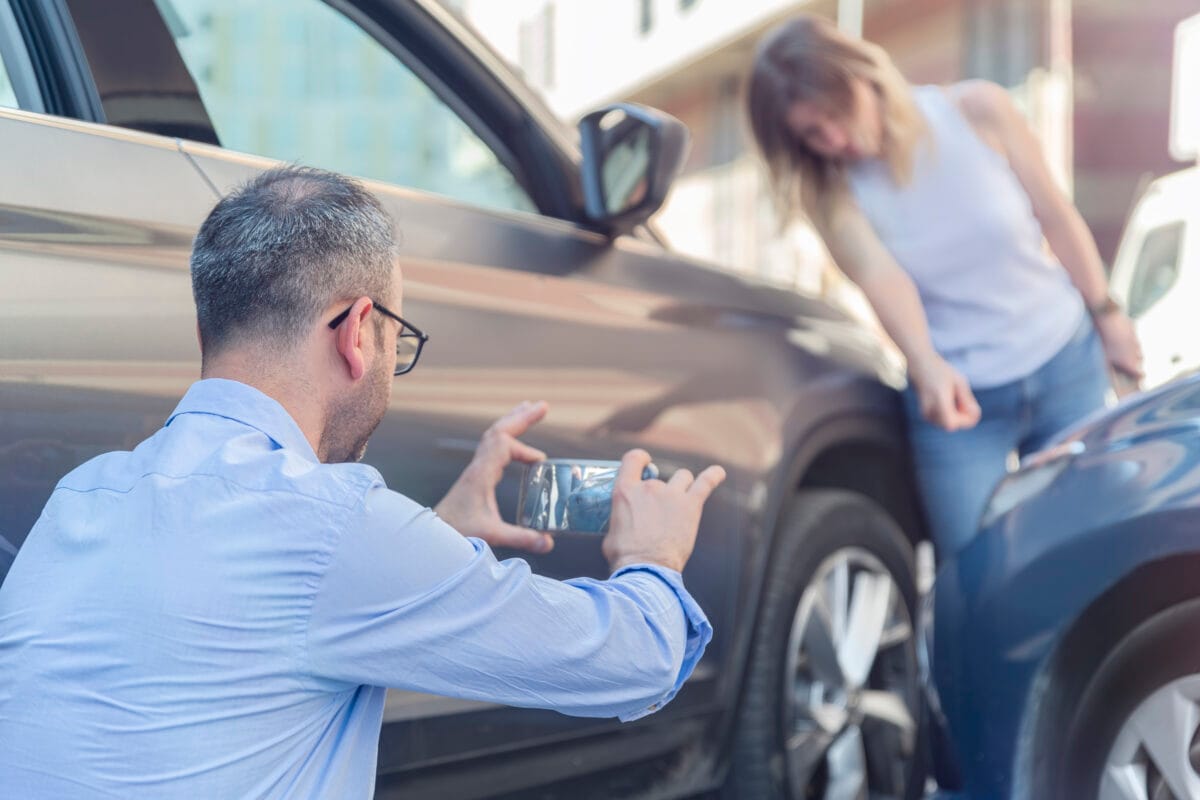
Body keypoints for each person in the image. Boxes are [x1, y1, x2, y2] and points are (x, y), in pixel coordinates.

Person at [0, 165, 726, 798]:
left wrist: (437, 538)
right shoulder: (333, 524)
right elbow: (631, 663)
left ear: (205, 336)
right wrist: (652, 559)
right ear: (356, 331)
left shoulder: (83, 497)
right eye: (395, 339)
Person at [746, 15, 1144, 555]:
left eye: (836, 115)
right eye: (812, 135)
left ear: (864, 75)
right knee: (972, 575)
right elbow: (879, 277)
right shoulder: (830, 192)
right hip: (958, 403)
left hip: (1063, 365)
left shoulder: (978, 110)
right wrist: (925, 362)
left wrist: (1108, 314)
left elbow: (1055, 213)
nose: (834, 139)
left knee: (1099, 545)